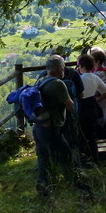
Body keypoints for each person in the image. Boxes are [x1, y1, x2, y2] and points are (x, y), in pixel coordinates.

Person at [33, 55, 91, 197]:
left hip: (39, 127)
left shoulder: (40, 81)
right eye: (63, 67)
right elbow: (70, 106)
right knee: (67, 157)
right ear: (59, 68)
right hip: (52, 129)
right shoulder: (58, 84)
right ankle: (78, 187)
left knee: (43, 159)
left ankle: (42, 189)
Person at [76, 53, 106, 165]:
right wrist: (98, 99)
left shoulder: (79, 78)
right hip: (92, 106)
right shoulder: (95, 77)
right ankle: (95, 158)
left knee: (81, 134)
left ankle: (83, 159)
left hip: (81, 107)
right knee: (92, 135)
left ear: (82, 66)